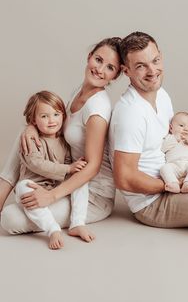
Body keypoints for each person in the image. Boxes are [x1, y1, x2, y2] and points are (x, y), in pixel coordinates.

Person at [109, 31, 188, 228]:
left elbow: (178, 138)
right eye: (141, 66)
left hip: (181, 170)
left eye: (155, 60)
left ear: (161, 55)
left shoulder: (161, 94)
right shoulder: (130, 113)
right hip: (156, 202)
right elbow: (124, 178)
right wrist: (172, 184)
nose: (152, 71)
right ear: (126, 71)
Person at [0, 37, 122, 237]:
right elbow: (55, 127)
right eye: (98, 60)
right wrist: (31, 128)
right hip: (65, 178)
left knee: (11, 218)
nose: (100, 69)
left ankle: (70, 223)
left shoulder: (97, 108)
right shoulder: (79, 92)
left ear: (114, 76)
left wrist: (51, 196)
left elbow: (92, 166)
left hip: (90, 194)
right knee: (24, 135)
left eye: (110, 67)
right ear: (89, 57)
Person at [14, 90, 88, 249]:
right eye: (44, 116)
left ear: (63, 116)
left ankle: (77, 223)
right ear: (33, 120)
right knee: (23, 187)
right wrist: (68, 168)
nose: (51, 120)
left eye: (56, 114)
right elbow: (36, 163)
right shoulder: (31, 140)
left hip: (54, 188)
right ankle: (52, 229)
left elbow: (68, 162)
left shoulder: (64, 141)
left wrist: (74, 167)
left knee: (81, 180)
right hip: (34, 186)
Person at [160, 111, 188, 194]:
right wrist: (175, 139)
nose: (185, 129)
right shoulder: (169, 138)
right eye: (181, 126)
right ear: (171, 128)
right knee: (164, 169)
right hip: (174, 165)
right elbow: (163, 148)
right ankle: (173, 183)